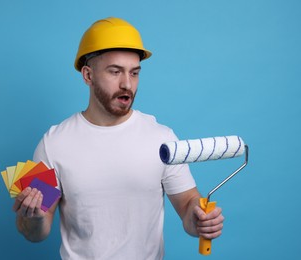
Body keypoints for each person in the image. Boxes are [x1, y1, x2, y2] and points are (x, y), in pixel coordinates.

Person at [12, 17, 224, 259]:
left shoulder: (162, 139)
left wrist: (198, 220)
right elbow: (34, 233)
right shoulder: (52, 143)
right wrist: (33, 217)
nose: (127, 84)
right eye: (115, 72)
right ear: (88, 75)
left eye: (134, 73)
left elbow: (188, 204)